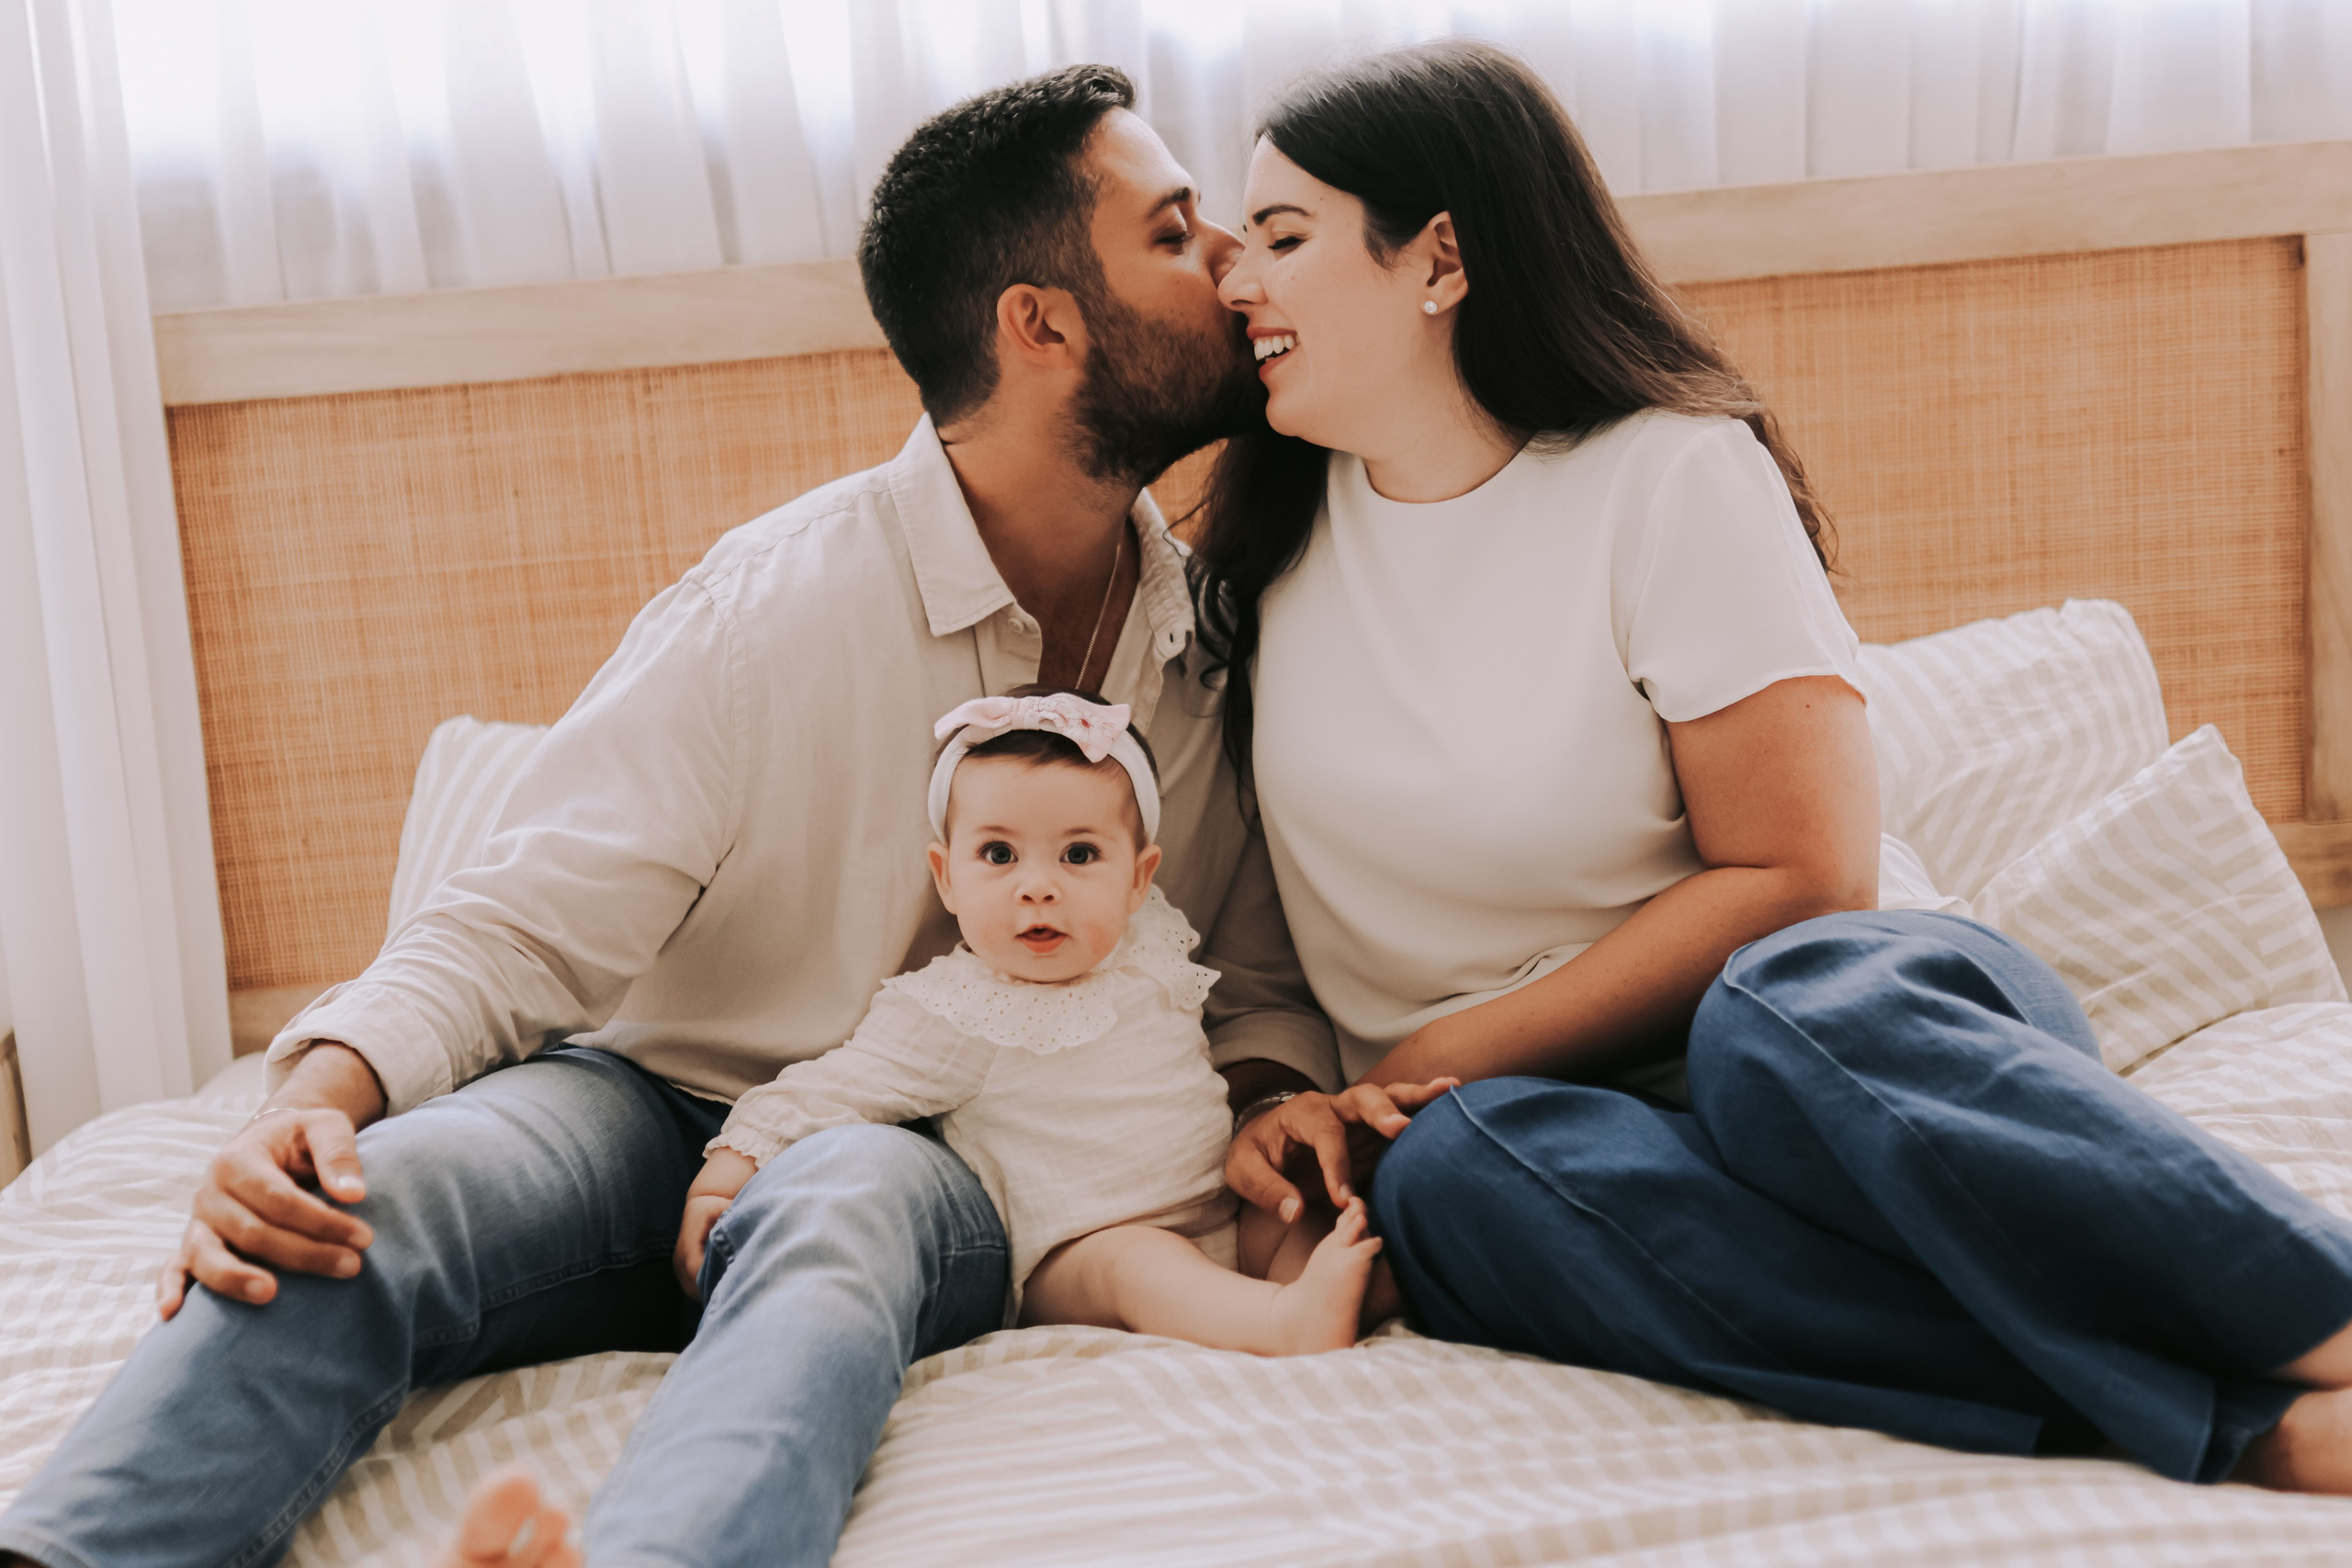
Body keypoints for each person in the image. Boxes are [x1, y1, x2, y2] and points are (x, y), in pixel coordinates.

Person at [0, 65, 1340, 1568]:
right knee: (369, 1196)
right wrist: (305, 1100)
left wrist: (1281, 1087)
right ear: (1040, 324)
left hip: (934, 1144)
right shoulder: (769, 609)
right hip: (638, 1109)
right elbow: (515, 914)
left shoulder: (1196, 637)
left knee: (838, 1209)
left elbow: (1243, 966)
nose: (1230, 259)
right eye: (1175, 232)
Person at [1206, 39, 2352, 1495]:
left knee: (1774, 1011)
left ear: (1439, 257)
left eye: (1286, 238)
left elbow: (1804, 875)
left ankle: (2322, 1311)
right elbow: (1252, 953)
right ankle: (2248, 1424)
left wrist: (1440, 1050)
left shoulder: (1667, 472)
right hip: (1531, 1125)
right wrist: (1283, 1099)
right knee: (1453, 1180)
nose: (1237, 280)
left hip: (1848, 1036)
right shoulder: (1256, 561)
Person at [682, 689, 1449, 1358]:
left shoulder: (1151, 939)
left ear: (1139, 879)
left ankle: (1305, 1288)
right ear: (946, 875)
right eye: (999, 854)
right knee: (1139, 1264)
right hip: (1078, 1254)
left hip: (1219, 1207)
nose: (1038, 888)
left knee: (1318, 1209)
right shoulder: (953, 1006)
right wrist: (725, 1175)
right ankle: (1281, 1320)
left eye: (1080, 854)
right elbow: (829, 1089)